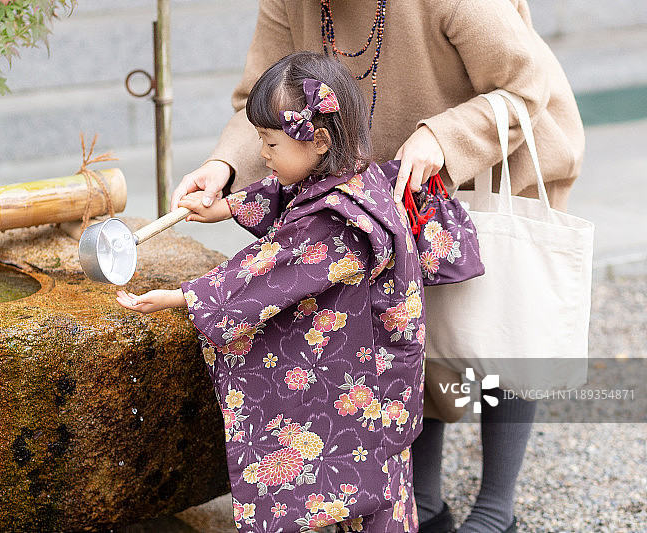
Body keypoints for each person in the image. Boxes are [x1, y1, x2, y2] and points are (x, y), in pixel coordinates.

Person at [170, 2, 585, 533]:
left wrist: (444, 136)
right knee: (407, 324)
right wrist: (224, 167)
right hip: (389, 183)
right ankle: (427, 500)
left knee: (504, 322)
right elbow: (263, 99)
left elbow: (528, 86)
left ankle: (495, 507)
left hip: (498, 163)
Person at [118, 51, 426, 532]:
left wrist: (183, 296)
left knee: (354, 488)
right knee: (366, 478)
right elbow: (288, 195)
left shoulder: (337, 222)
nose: (262, 154)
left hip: (368, 376)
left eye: (270, 142)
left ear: (320, 140)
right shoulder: (352, 178)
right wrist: (228, 207)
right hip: (370, 365)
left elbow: (271, 267)